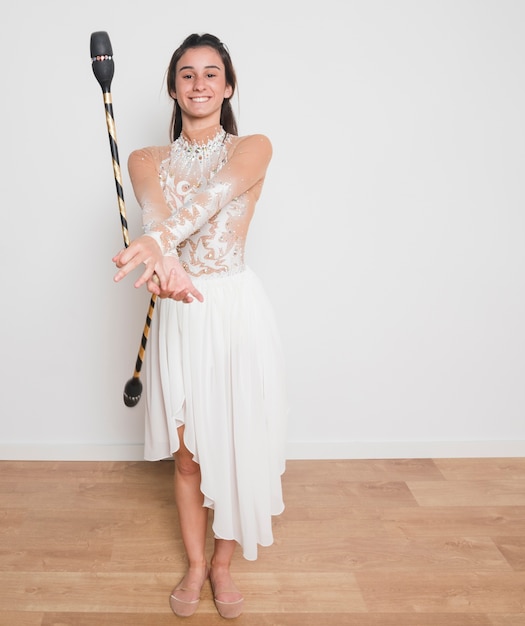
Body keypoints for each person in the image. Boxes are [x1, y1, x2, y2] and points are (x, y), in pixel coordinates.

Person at [112, 33, 288, 619]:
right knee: (188, 455)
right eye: (187, 74)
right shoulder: (144, 159)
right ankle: (193, 563)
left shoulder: (253, 147)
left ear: (228, 86)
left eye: (212, 73)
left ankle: (222, 565)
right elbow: (160, 213)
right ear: (172, 87)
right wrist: (165, 266)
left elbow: (206, 203)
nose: (200, 83)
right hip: (181, 313)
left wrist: (157, 248)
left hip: (234, 307)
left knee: (232, 446)